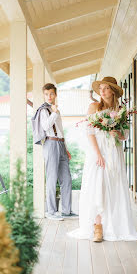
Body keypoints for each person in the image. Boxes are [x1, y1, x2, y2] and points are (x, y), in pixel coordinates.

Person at [67, 77, 137, 242]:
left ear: (113, 91)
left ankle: (114, 225)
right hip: (98, 152)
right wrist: (98, 154)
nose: (102, 91)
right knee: (98, 185)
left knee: (114, 185)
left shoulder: (121, 110)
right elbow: (89, 132)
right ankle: (98, 227)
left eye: (106, 88)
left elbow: (125, 135)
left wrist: (116, 133)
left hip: (114, 151)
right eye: (101, 88)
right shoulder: (94, 107)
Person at [32, 83, 78, 221]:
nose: (49, 96)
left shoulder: (55, 110)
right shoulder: (44, 110)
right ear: (44, 95)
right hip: (50, 143)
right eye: (46, 94)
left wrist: (66, 147)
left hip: (61, 144)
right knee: (52, 178)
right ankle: (51, 211)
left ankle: (66, 210)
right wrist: (55, 112)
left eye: (51, 94)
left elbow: (60, 129)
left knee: (67, 179)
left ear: (55, 94)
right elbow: (46, 126)